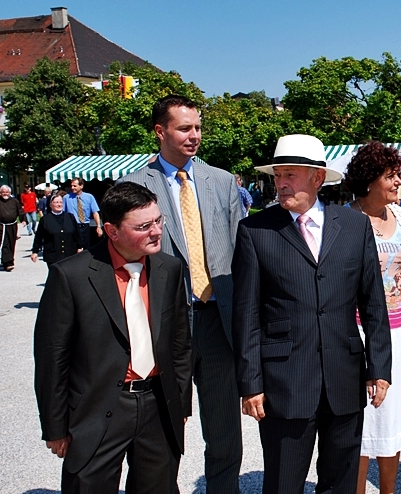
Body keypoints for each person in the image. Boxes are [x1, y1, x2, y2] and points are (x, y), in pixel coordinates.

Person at [233, 134, 392, 494]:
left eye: (290, 174)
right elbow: (245, 315)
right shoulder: (255, 231)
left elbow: (373, 304)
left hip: (345, 378)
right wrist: (251, 383)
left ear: (317, 178)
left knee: (341, 482)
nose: (281, 183)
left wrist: (379, 367)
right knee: (283, 483)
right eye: (277, 175)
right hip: (284, 383)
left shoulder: (353, 226)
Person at [120, 94, 244, 493]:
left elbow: (242, 253)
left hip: (218, 321)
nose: (195, 136)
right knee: (162, 427)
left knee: (224, 431)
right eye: (185, 128)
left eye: (198, 128)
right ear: (160, 131)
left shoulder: (221, 182)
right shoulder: (136, 186)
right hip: (166, 326)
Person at [34, 182, 191, 493]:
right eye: (144, 226)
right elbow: (53, 357)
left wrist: (180, 403)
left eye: (158, 221)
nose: (156, 231)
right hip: (98, 409)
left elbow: (180, 344)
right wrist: (55, 427)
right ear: (112, 230)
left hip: (158, 404)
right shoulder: (72, 276)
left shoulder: (169, 268)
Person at [344, 141, 401, 494]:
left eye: (398, 175)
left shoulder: (400, 216)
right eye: (391, 176)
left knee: (393, 420)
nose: (399, 182)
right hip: (362, 332)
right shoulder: (347, 220)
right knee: (364, 421)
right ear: (369, 181)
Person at [30, 195, 82, 266]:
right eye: (56, 202)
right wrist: (35, 251)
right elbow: (39, 237)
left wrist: (79, 247)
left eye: (61, 202)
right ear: (51, 204)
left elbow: (77, 233)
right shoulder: (45, 220)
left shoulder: (70, 217)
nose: (59, 204)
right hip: (53, 255)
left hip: (70, 254)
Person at [0, 185, 24, 271]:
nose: (5, 193)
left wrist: (23, 220)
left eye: (7, 192)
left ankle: (8, 261)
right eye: (3, 192)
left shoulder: (15, 201)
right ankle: (8, 263)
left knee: (11, 243)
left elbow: (20, 211)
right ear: (0, 193)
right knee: (2, 243)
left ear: (10, 193)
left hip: (11, 225)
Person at [63, 178, 103, 249]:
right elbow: (63, 214)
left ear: (81, 186)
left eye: (75, 186)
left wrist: (98, 226)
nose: (72, 188)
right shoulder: (66, 198)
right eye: (71, 186)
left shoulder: (89, 197)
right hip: (72, 227)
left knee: (85, 248)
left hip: (85, 227)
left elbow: (95, 212)